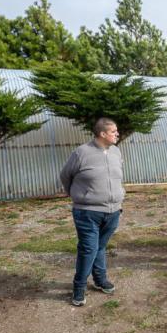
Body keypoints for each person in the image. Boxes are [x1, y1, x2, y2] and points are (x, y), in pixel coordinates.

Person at [60, 118, 124, 306]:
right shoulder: (82, 153)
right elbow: (65, 175)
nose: (117, 134)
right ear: (102, 134)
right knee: (88, 249)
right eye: (114, 131)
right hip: (87, 211)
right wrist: (78, 195)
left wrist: (120, 195)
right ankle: (79, 287)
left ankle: (100, 279)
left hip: (113, 210)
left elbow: (117, 176)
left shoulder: (116, 151)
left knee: (100, 247)